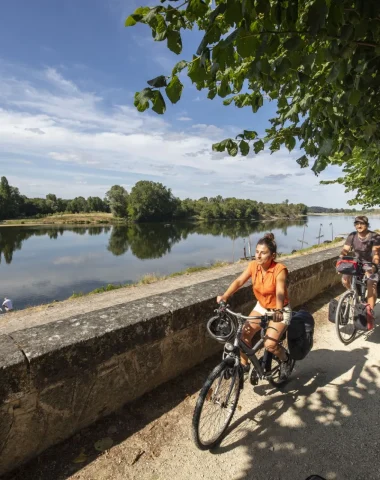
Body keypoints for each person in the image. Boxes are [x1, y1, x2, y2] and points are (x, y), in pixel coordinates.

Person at [217, 233, 292, 380]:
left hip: (280, 310)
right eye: (257, 251)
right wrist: (225, 296)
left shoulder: (279, 269)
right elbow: (239, 281)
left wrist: (278, 309)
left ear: (273, 255)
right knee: (244, 334)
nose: (258, 256)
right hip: (262, 307)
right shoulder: (253, 266)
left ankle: (286, 360)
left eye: (263, 253)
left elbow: (280, 291)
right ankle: (245, 365)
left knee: (270, 344)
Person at [338, 215, 380, 313]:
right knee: (344, 280)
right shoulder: (352, 235)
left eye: (362, 223)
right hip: (357, 263)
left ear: (367, 225)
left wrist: (372, 268)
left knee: (371, 284)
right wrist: (340, 261)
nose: (359, 226)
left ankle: (369, 313)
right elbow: (345, 250)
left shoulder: (375, 237)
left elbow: (376, 254)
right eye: (357, 224)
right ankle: (354, 294)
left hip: (371, 264)